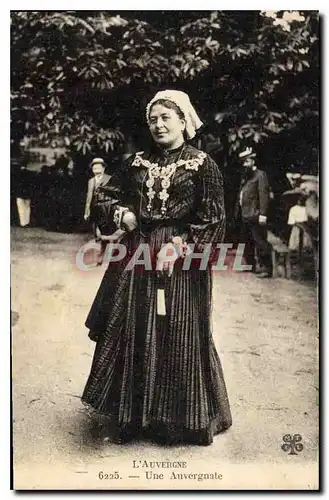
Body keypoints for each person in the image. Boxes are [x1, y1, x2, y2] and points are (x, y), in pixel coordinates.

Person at [81, 90, 232, 446]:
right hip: (136, 255)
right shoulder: (137, 162)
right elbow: (105, 194)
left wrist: (181, 247)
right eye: (153, 119)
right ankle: (134, 416)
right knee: (134, 327)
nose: (159, 124)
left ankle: (179, 420)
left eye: (166, 117)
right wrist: (123, 213)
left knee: (178, 329)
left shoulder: (202, 165)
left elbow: (214, 219)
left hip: (180, 262)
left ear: (184, 121)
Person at [235, 147, 273, 278]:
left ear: (252, 161)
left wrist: (263, 214)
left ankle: (266, 268)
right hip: (245, 214)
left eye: (246, 162)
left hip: (256, 215)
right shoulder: (246, 177)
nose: (244, 165)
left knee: (260, 241)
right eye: (243, 162)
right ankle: (250, 265)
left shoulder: (260, 175)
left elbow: (264, 195)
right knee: (247, 241)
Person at [84, 158, 112, 264]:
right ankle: (101, 255)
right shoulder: (91, 181)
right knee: (96, 233)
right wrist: (86, 212)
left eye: (98, 167)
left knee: (105, 233)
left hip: (106, 209)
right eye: (94, 167)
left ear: (103, 168)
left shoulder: (109, 179)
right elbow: (89, 197)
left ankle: (101, 257)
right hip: (95, 210)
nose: (95, 169)